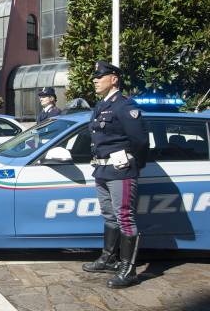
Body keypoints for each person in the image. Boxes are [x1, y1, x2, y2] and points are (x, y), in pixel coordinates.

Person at [82, 60, 149, 289]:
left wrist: (133, 165)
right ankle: (109, 258)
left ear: (114, 79)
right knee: (109, 216)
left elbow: (140, 141)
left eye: (99, 76)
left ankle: (128, 270)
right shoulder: (101, 105)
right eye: (95, 76)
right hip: (101, 170)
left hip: (121, 171)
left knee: (124, 217)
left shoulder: (124, 106)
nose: (94, 80)